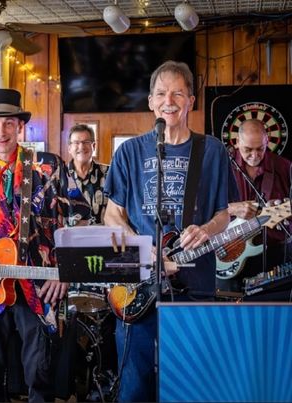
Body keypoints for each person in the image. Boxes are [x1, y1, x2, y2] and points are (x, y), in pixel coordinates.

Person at [0, 88, 90, 402]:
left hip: (37, 285)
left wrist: (65, 272)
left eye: (9, 123)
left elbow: (79, 220)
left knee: (40, 375)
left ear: (20, 126)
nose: (1, 131)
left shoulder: (48, 166)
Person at [103, 60, 231, 402]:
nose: (168, 101)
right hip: (139, 286)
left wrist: (207, 229)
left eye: (177, 93)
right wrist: (141, 247)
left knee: (190, 385)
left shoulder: (212, 151)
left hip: (195, 284)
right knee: (134, 386)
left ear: (191, 101)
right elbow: (112, 214)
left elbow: (224, 214)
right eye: (161, 93)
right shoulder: (129, 151)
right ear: (150, 101)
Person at [226, 119, 292, 277]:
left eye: (260, 149)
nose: (254, 155)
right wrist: (231, 208)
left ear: (267, 141)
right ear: (237, 142)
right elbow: (199, 207)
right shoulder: (223, 166)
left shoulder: (285, 167)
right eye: (248, 149)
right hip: (228, 251)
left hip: (276, 254)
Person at [66, 123, 108, 225]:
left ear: (93, 146)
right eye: (76, 142)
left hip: (103, 234)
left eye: (86, 142)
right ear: (69, 148)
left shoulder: (109, 173)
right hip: (69, 235)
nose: (81, 146)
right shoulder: (60, 177)